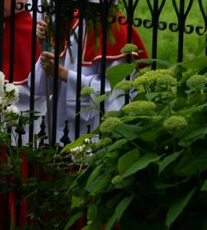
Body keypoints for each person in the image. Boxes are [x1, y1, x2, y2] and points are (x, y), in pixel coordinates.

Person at [33, 12, 147, 143]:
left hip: (93, 133)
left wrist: (65, 74)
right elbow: (39, 88)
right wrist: (45, 48)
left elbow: (113, 92)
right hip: (57, 127)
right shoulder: (69, 22)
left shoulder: (116, 29)